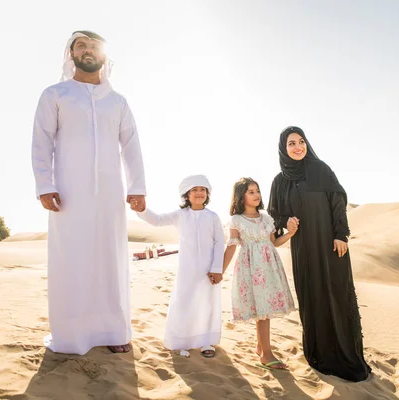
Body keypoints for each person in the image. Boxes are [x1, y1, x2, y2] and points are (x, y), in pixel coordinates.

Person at [31, 30, 146, 355]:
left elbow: (131, 145)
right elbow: (42, 140)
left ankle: (114, 330)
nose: (88, 50)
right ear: (71, 54)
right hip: (68, 193)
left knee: (110, 258)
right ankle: (71, 335)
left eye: (94, 45)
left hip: (110, 193)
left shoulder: (117, 101)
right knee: (72, 259)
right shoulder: (56, 94)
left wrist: (137, 186)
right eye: (81, 44)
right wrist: (45, 184)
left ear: (104, 55)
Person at [267, 126, 371, 381]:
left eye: (301, 141)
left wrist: (340, 234)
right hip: (303, 249)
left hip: (331, 245)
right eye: (291, 143)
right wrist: (287, 221)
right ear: (284, 148)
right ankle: (320, 355)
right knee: (312, 296)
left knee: (337, 295)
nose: (297, 147)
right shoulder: (280, 181)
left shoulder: (321, 170)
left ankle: (347, 355)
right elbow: (274, 214)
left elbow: (338, 202)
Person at [134, 175, 224, 358]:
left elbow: (219, 243)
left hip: (208, 271)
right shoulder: (180, 215)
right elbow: (157, 220)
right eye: (194, 190)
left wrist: (217, 268)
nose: (199, 193)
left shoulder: (213, 217)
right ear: (186, 195)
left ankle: (206, 341)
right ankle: (183, 341)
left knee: (207, 303)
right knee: (184, 303)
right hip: (187, 270)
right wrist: (142, 210)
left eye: (202, 189)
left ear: (207, 193)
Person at [222, 177, 296, 371]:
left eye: (257, 191)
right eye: (251, 192)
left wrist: (289, 233)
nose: (256, 195)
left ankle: (260, 346)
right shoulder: (236, 220)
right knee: (261, 311)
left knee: (264, 309)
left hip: (269, 266)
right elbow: (231, 246)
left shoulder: (266, 217)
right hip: (250, 267)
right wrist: (220, 270)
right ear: (240, 196)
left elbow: (274, 242)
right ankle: (266, 354)